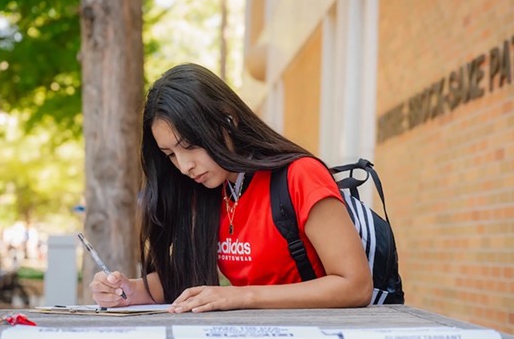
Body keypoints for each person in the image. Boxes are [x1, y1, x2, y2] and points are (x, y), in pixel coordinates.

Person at [89, 63, 373, 313]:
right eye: (171, 155)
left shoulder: (301, 175)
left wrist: (241, 296)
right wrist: (128, 290)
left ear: (227, 119)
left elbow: (355, 285)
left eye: (189, 145)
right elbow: (186, 272)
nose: (184, 165)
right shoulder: (213, 189)